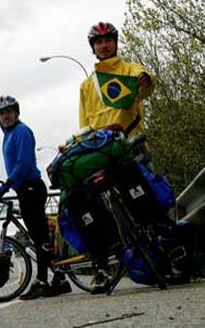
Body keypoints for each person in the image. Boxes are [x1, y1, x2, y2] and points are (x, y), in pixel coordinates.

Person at [0, 63, 71, 300]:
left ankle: (43, 281)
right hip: (25, 190)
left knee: (39, 238)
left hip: (32, 188)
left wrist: (3, 188)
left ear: (16, 113)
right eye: (1, 113)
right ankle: (59, 279)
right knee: (38, 237)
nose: (4, 116)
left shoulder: (22, 132)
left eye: (9, 112)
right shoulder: (8, 131)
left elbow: (23, 166)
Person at [69, 21, 157, 294]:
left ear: (115, 43)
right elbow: (84, 127)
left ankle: (163, 244)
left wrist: (145, 80)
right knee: (82, 200)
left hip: (129, 146)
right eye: (98, 42)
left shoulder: (129, 69)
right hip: (101, 154)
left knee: (143, 195)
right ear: (93, 48)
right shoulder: (86, 86)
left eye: (108, 39)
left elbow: (145, 84)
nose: (104, 45)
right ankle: (102, 263)